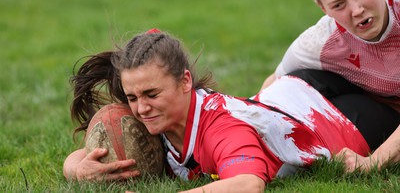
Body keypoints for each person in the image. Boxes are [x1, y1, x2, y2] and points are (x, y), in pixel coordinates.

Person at [63, 29, 371, 192]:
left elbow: (248, 184)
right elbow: (87, 152)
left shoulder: (221, 126)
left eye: (151, 94)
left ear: (185, 82)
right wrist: (77, 168)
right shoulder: (155, 120)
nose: (141, 108)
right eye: (132, 97)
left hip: (342, 118)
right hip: (290, 98)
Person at [261, 0, 400, 172]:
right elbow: (274, 87)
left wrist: (373, 163)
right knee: (297, 82)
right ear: (323, 8)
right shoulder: (322, 40)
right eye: (338, 5)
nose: (356, 10)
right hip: (383, 110)